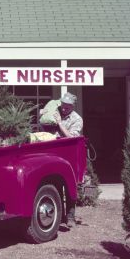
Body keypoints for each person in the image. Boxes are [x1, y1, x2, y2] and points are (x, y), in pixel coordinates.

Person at [41, 92, 83, 227]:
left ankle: (70, 217)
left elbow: (72, 137)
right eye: (63, 105)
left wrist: (59, 124)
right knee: (56, 184)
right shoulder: (55, 111)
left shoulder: (77, 119)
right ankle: (59, 216)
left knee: (70, 185)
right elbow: (45, 129)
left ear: (72, 106)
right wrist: (43, 116)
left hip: (69, 154)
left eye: (67, 107)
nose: (64, 108)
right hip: (53, 152)